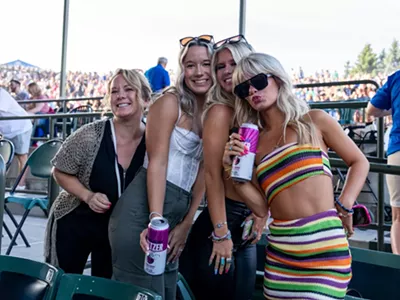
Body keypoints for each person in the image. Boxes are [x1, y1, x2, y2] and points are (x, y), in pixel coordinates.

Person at [224, 53, 369, 300]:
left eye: (258, 81)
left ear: (277, 78)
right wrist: (232, 171)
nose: (252, 91)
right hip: (282, 254)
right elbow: (261, 208)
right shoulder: (253, 144)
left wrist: (344, 206)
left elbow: (359, 162)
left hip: (325, 250)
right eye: (242, 88)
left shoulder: (314, 121)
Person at [109, 35, 214, 300]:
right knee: (142, 294)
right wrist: (156, 219)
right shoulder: (170, 102)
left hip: (178, 211)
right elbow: (157, 162)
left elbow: (206, 171)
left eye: (206, 64)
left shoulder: (217, 110)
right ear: (182, 69)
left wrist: (187, 222)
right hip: (143, 212)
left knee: (165, 292)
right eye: (190, 65)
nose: (199, 72)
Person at [180, 35, 265, 300]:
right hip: (221, 226)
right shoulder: (220, 111)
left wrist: (262, 213)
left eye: (233, 63)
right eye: (220, 66)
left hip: (246, 229)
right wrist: (220, 232)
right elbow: (212, 175)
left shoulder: (257, 109)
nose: (227, 71)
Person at [44, 69, 151, 278]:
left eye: (129, 89)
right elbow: (59, 170)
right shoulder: (90, 134)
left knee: (104, 289)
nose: (120, 95)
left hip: (118, 231)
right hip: (75, 221)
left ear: (146, 98)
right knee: (63, 283)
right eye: (114, 91)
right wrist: (88, 195)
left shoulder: (154, 140)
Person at [366, 70, 400, 254]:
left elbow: (371, 110)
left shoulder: (396, 77)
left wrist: (392, 109)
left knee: (398, 218)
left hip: (398, 150)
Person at [0, 88, 33, 189]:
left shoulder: (1, 93)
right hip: (8, 130)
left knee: (22, 156)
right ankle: (3, 185)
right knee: (4, 158)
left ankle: (20, 186)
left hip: (20, 127)